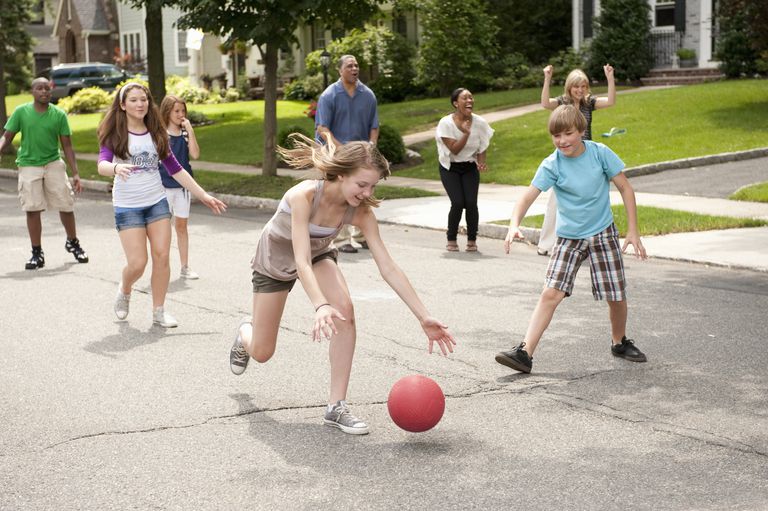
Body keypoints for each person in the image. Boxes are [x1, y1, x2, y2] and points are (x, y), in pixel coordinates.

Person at [228, 134, 456, 435]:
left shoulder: (360, 211)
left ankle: (336, 406)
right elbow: (300, 260)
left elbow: (387, 266)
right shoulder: (304, 196)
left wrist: (422, 315)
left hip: (319, 252)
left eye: (373, 186)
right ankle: (246, 333)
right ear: (341, 174)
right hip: (276, 259)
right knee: (262, 352)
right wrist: (320, 304)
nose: (367, 192)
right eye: (362, 184)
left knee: (345, 310)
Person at [495, 105, 647, 374]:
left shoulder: (600, 153)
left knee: (616, 294)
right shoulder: (552, 164)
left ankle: (619, 341)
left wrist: (632, 230)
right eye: (556, 136)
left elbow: (625, 187)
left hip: (602, 232)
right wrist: (513, 224)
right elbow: (528, 196)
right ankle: (524, 353)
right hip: (569, 238)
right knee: (551, 292)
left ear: (581, 131)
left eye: (568, 133)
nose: (562, 141)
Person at [97, 83, 226, 328]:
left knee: (162, 256)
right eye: (133, 100)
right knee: (137, 263)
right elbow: (102, 164)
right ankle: (125, 289)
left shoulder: (156, 132)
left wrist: (204, 195)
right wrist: (116, 167)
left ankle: (159, 310)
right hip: (127, 205)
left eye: (143, 99)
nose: (140, 104)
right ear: (123, 105)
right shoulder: (115, 133)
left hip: (156, 202)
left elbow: (176, 169)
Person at [0, 77, 89, 270]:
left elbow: (67, 146)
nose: (45, 92)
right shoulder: (21, 112)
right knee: (32, 208)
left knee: (65, 204)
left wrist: (75, 174)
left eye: (47, 89)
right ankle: (36, 253)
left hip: (52, 163)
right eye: (40, 88)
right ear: (32, 92)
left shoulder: (58, 114)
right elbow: (7, 137)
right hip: (28, 164)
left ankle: (72, 242)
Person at [537, 64, 616, 256]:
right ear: (569, 87)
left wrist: (610, 78)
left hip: (587, 157)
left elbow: (611, 101)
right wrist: (547, 78)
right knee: (556, 202)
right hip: (567, 156)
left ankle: (587, 242)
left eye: (583, 86)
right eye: (576, 87)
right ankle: (546, 244)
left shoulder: (589, 103)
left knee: (589, 200)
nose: (580, 90)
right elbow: (545, 103)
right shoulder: (563, 102)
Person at [315, 54, 379, 254]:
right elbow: (322, 129)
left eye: (356, 65)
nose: (354, 69)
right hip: (337, 155)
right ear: (340, 70)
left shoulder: (368, 95)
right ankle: (341, 240)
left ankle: (361, 235)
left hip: (361, 157)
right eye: (350, 66)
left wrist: (371, 149)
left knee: (364, 194)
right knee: (340, 195)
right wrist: (343, 151)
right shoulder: (329, 95)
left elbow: (374, 127)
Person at [435, 88, 494, 252]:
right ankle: (451, 238)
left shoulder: (480, 122)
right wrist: (466, 134)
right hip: (450, 167)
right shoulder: (445, 123)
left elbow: (483, 145)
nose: (470, 100)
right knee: (458, 202)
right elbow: (454, 149)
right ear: (456, 103)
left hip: (469, 166)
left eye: (471, 97)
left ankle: (472, 239)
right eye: (465, 98)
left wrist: (481, 162)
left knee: (471, 203)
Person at [159, 95, 201, 280]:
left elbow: (195, 154)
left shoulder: (184, 133)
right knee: (163, 228)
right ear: (167, 112)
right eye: (176, 111)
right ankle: (162, 266)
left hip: (183, 187)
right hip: (163, 187)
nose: (180, 114)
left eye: (183, 111)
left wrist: (190, 131)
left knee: (182, 227)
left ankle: (184, 267)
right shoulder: (160, 134)